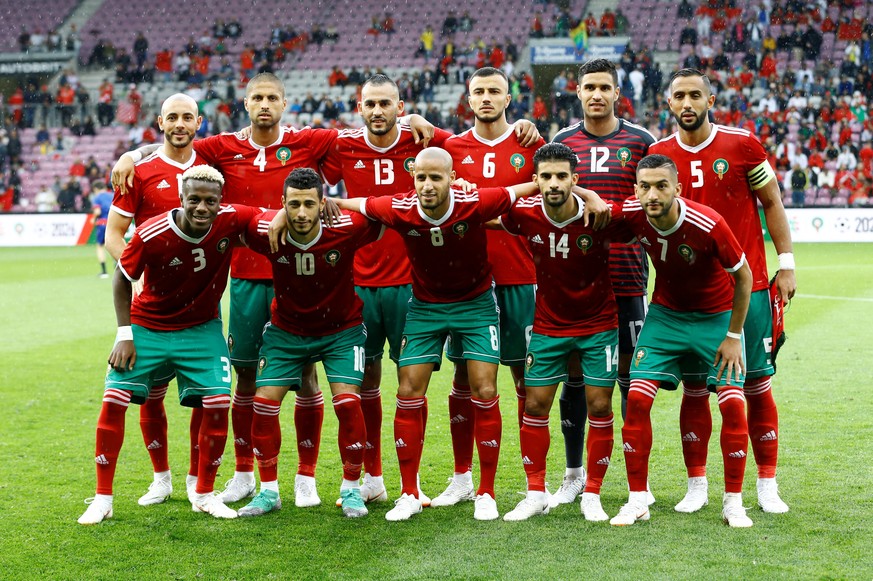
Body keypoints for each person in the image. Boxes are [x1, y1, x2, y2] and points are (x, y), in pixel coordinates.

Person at [112, 73, 435, 508]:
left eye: (272, 98)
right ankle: (247, 473)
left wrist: (409, 114)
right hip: (247, 277)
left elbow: (368, 134)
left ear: (285, 104)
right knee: (246, 377)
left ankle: (306, 479)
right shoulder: (221, 146)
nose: (264, 105)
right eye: (257, 98)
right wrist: (133, 153)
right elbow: (176, 143)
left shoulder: (312, 140)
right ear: (245, 103)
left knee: (306, 378)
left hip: (304, 276)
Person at [334, 147, 542, 521]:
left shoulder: (476, 201)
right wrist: (324, 201)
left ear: (451, 178)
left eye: (436, 178)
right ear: (412, 177)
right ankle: (410, 493)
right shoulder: (400, 206)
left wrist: (584, 192)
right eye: (421, 178)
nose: (427, 186)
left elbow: (528, 187)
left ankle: (486, 492)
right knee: (408, 389)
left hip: (476, 306)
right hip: (425, 308)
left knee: (485, 389)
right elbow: (359, 203)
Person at [77, 165, 261, 524]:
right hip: (148, 326)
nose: (202, 207)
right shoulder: (152, 232)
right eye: (194, 199)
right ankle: (102, 498)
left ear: (221, 201)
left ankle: (204, 494)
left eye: (210, 201)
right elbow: (121, 278)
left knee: (219, 400)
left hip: (201, 329)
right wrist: (124, 335)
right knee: (113, 400)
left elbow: (271, 214)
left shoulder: (230, 220)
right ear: (181, 198)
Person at [649, 69, 796, 514]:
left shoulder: (743, 144)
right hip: (688, 295)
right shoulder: (658, 154)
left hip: (744, 289)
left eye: (696, 95)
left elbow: (772, 202)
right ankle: (697, 485)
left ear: (711, 100)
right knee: (696, 388)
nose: (687, 102)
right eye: (679, 96)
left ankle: (766, 485)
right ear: (669, 103)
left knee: (755, 384)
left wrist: (785, 264)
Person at [609, 154, 754, 528]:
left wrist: (734, 336)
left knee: (733, 406)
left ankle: (733, 502)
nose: (652, 194)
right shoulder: (635, 213)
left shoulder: (708, 223)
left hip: (715, 319)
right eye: (644, 186)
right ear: (636, 188)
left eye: (661, 186)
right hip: (665, 317)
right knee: (637, 398)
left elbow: (745, 278)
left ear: (678, 187)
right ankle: (637, 499)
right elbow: (596, 210)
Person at [238, 168, 382, 518]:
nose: (301, 213)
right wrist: (272, 216)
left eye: (308, 204)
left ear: (322, 203)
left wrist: (343, 204)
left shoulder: (346, 228)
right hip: (286, 332)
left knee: (348, 403)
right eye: (292, 205)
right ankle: (269, 491)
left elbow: (378, 216)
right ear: (282, 204)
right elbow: (234, 217)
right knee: (263, 403)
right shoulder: (268, 233)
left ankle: (351, 490)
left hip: (341, 330)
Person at [499, 143, 627, 522]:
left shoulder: (600, 217)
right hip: (549, 326)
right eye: (546, 177)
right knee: (535, 405)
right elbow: (478, 208)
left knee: (600, 406)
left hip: (599, 325)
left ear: (575, 179)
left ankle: (593, 494)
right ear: (535, 180)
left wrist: (594, 197)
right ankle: (535, 492)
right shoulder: (523, 214)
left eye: (561, 177)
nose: (553, 184)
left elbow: (646, 220)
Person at [435, 67, 545, 507]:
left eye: (494, 91)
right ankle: (463, 476)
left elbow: (543, 197)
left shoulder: (529, 144)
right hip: (466, 283)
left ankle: (530, 479)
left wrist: (480, 209)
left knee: (525, 377)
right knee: (464, 378)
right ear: (468, 96)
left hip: (520, 276)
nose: (485, 98)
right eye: (478, 91)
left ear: (508, 98)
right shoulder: (451, 147)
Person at [550, 58, 655, 507]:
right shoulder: (561, 142)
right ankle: (574, 474)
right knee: (575, 380)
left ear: (617, 93)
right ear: (577, 91)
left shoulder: (641, 141)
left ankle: (638, 482)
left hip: (627, 277)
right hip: (573, 280)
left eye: (604, 87)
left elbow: (655, 198)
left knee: (631, 381)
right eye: (589, 87)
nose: (596, 94)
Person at [105, 93, 206, 507]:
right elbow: (113, 233)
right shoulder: (141, 171)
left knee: (205, 394)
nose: (179, 123)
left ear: (198, 122)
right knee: (151, 391)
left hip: (201, 302)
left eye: (187, 117)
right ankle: (161, 478)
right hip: (151, 303)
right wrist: (136, 268)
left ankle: (197, 479)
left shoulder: (211, 170)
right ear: (160, 122)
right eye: (172, 117)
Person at [90, 181, 114, 278]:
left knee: (100, 247)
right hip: (114, 223)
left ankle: (104, 272)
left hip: (102, 223)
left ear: (96, 189)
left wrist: (93, 218)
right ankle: (119, 267)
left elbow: (97, 211)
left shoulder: (97, 198)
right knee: (115, 245)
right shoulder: (113, 195)